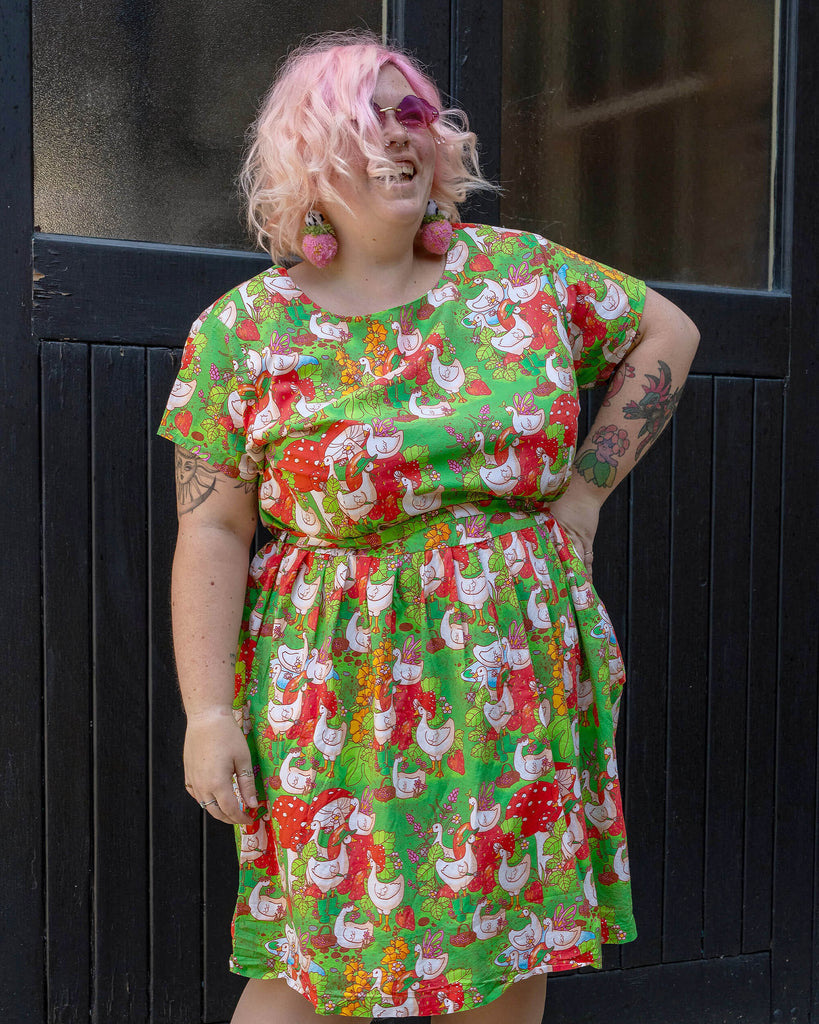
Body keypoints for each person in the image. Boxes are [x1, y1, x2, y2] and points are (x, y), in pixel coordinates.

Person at [158, 30, 699, 1023]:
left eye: (415, 114)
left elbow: (669, 330)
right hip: (332, 687)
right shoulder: (243, 332)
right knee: (308, 963)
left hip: (511, 669)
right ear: (310, 151)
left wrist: (582, 494)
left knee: (503, 949)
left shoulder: (521, 276)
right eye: (369, 117)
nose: (403, 136)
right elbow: (215, 530)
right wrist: (208, 714)